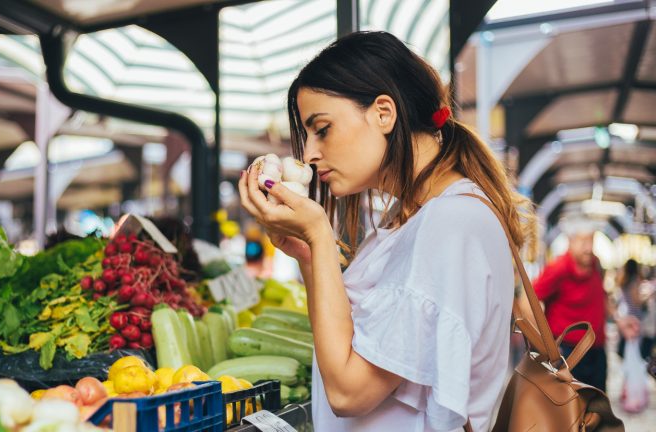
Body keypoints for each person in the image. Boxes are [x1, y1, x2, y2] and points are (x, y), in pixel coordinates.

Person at [238, 31, 532, 431]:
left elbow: (349, 392)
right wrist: (308, 253)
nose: (309, 153)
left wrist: (321, 234)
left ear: (383, 113)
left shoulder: (448, 224)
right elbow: (355, 342)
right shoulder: (411, 218)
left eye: (321, 128)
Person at [529, 225, 639, 392]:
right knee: (569, 411)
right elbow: (529, 300)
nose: (588, 247)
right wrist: (542, 343)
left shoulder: (595, 264)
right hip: (567, 353)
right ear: (570, 241)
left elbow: (601, 297)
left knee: (597, 407)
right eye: (583, 241)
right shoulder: (558, 268)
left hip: (597, 351)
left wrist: (619, 320)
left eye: (591, 240)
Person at [616, 259, 654, 361]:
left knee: (629, 345)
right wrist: (649, 296)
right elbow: (636, 300)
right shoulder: (634, 280)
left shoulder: (624, 279)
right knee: (635, 345)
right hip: (635, 316)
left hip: (627, 313)